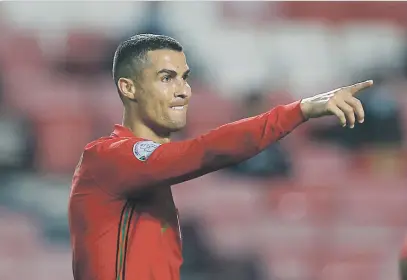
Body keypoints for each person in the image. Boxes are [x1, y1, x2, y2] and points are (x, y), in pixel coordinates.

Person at [68, 34, 373, 280]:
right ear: (128, 87)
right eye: (166, 78)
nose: (183, 91)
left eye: (184, 78)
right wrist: (300, 110)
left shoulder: (143, 175)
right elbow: (205, 151)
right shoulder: (109, 157)